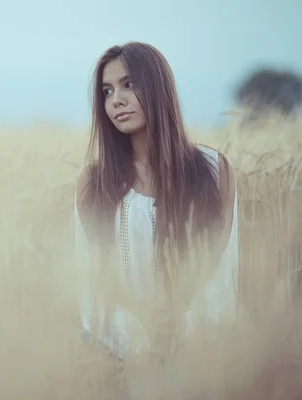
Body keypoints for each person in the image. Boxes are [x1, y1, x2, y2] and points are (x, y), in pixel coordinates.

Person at [74, 42, 239, 362]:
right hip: (117, 352)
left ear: (158, 86)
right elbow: (94, 280)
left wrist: (178, 333)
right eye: (107, 91)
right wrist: (139, 339)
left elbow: (220, 268)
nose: (116, 100)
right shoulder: (92, 181)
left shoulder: (214, 169)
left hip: (199, 350)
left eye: (129, 85)